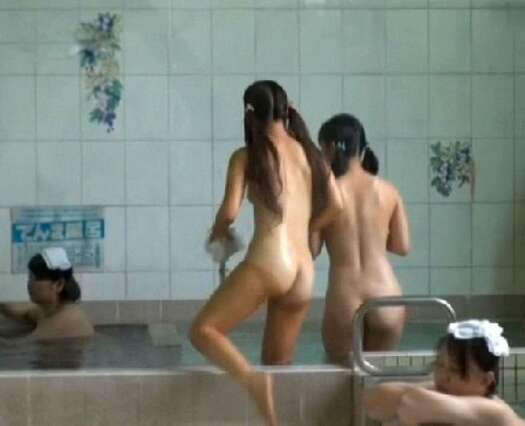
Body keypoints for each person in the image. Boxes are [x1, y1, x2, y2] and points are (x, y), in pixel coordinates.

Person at [189, 80, 342, 425]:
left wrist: (218, 232)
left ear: (250, 115)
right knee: (279, 366)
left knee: (204, 331)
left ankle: (251, 380)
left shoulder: (247, 156)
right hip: (304, 271)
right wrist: (308, 228)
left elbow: (230, 211)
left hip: (270, 261)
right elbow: (337, 205)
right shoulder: (311, 154)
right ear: (286, 110)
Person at [311, 113, 410, 363]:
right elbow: (402, 246)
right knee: (378, 377)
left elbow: (312, 250)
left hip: (345, 296)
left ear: (330, 148)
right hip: (385, 293)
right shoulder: (388, 191)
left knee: (340, 377)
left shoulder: (327, 195)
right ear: (361, 148)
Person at [364, 319, 525, 426]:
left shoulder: (494, 412)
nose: (443, 376)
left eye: (455, 370)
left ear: (485, 381)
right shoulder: (444, 394)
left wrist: (414, 393)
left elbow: (413, 405)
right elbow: (374, 403)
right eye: (440, 365)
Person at [0, 247, 94, 341]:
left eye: (34, 278)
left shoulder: (67, 320)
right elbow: (24, 314)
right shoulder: (48, 309)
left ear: (58, 284)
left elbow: (18, 346)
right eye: (29, 278)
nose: (29, 284)